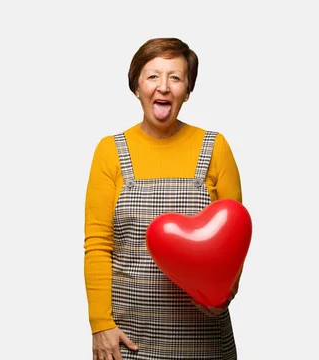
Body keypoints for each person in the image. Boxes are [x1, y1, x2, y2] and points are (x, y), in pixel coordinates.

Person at [83, 37, 243, 360]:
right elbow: (98, 245)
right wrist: (100, 325)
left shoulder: (216, 148)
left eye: (175, 77)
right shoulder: (109, 152)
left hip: (205, 338)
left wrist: (223, 294)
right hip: (128, 341)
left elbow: (235, 241)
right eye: (153, 76)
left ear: (188, 89)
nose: (164, 87)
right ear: (136, 86)